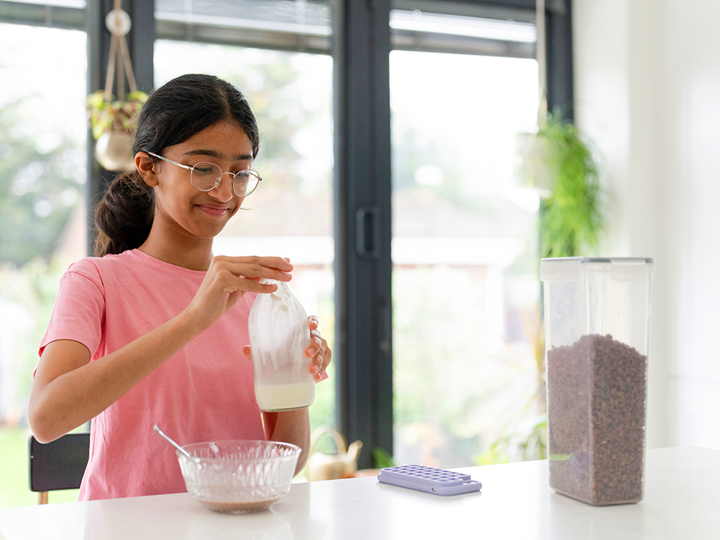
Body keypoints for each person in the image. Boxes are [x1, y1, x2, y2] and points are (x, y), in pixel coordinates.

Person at [27, 73, 332, 501]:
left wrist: (294, 375)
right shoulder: (95, 280)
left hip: (232, 527)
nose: (224, 191)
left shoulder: (254, 297)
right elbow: (46, 418)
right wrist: (194, 318)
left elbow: (288, 460)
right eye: (203, 168)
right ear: (149, 168)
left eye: (240, 172)